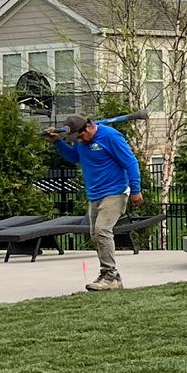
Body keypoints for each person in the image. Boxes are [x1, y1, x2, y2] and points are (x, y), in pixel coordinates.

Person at [53, 114, 145, 293]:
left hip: (115, 192)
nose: (78, 141)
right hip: (95, 195)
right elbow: (75, 158)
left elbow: (130, 162)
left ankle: (110, 275)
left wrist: (136, 190)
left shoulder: (110, 136)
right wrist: (58, 142)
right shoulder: (82, 142)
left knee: (102, 230)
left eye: (79, 137)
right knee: (95, 235)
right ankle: (110, 276)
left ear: (88, 127)